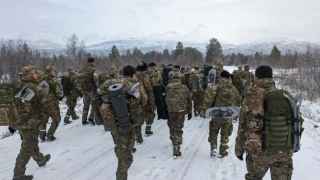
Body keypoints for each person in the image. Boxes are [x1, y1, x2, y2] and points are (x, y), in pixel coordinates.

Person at [235, 65, 303, 180]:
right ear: (271, 78)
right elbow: (297, 121)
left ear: (257, 77)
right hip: (283, 153)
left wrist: (239, 149)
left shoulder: (251, 97)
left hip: (258, 154)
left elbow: (243, 126)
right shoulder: (286, 96)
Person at [12, 65, 51, 180]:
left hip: (25, 122)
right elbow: (25, 107)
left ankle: (40, 159)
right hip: (28, 123)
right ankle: (18, 175)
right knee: (26, 149)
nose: (36, 74)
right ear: (28, 75)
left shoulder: (24, 85)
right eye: (34, 73)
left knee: (32, 143)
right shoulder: (30, 87)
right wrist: (31, 122)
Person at [205, 70, 240, 158]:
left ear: (221, 77)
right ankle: (223, 151)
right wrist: (235, 115)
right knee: (225, 133)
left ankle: (213, 148)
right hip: (228, 114)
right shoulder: (234, 88)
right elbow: (238, 101)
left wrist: (207, 109)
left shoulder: (216, 86)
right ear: (229, 77)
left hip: (217, 113)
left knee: (213, 131)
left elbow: (209, 98)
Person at [165, 71, 192, 157]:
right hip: (181, 110)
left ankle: (174, 140)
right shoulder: (184, 87)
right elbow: (189, 99)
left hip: (171, 110)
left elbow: (165, 98)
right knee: (179, 127)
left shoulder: (168, 87)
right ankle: (177, 145)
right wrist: (190, 111)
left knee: (172, 126)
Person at [39, 65, 63, 141]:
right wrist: (60, 97)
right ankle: (50, 135)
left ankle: (42, 136)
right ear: (51, 71)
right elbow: (59, 93)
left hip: (42, 103)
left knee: (44, 120)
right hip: (52, 103)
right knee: (57, 119)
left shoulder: (40, 79)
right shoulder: (54, 80)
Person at [136, 62, 155, 137]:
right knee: (150, 114)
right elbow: (149, 89)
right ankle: (148, 129)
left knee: (138, 117)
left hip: (135, 101)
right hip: (145, 99)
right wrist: (152, 101)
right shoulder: (145, 76)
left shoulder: (133, 76)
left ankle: (138, 135)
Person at [78, 57, 98, 125]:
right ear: (93, 62)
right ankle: (91, 119)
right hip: (91, 90)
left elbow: (78, 79)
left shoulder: (82, 69)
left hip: (84, 90)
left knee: (86, 106)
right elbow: (95, 80)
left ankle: (83, 120)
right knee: (94, 105)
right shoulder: (93, 69)